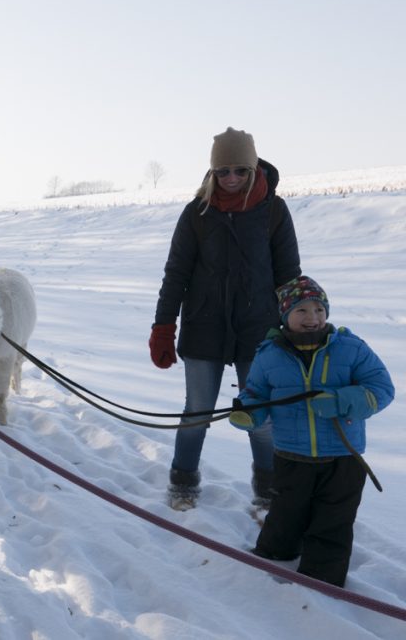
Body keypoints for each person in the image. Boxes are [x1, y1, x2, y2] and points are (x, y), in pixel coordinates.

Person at [149, 127, 301, 511]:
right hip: (204, 326)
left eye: (238, 170)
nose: (231, 178)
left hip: (260, 329)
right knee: (196, 411)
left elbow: (289, 276)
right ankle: (183, 480)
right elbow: (176, 274)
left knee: (260, 416)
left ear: (252, 168)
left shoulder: (274, 211)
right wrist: (163, 327)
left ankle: (268, 490)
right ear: (212, 173)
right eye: (222, 172)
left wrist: (296, 329)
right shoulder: (197, 213)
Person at [230, 276, 394, 587]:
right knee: (286, 513)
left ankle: (322, 580)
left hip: (342, 456)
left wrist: (340, 400)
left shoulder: (351, 348)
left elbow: (381, 389)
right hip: (292, 453)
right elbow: (256, 392)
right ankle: (274, 557)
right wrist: (248, 412)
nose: (312, 318)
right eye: (302, 310)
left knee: (334, 520)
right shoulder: (269, 354)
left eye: (319, 309)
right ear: (285, 316)